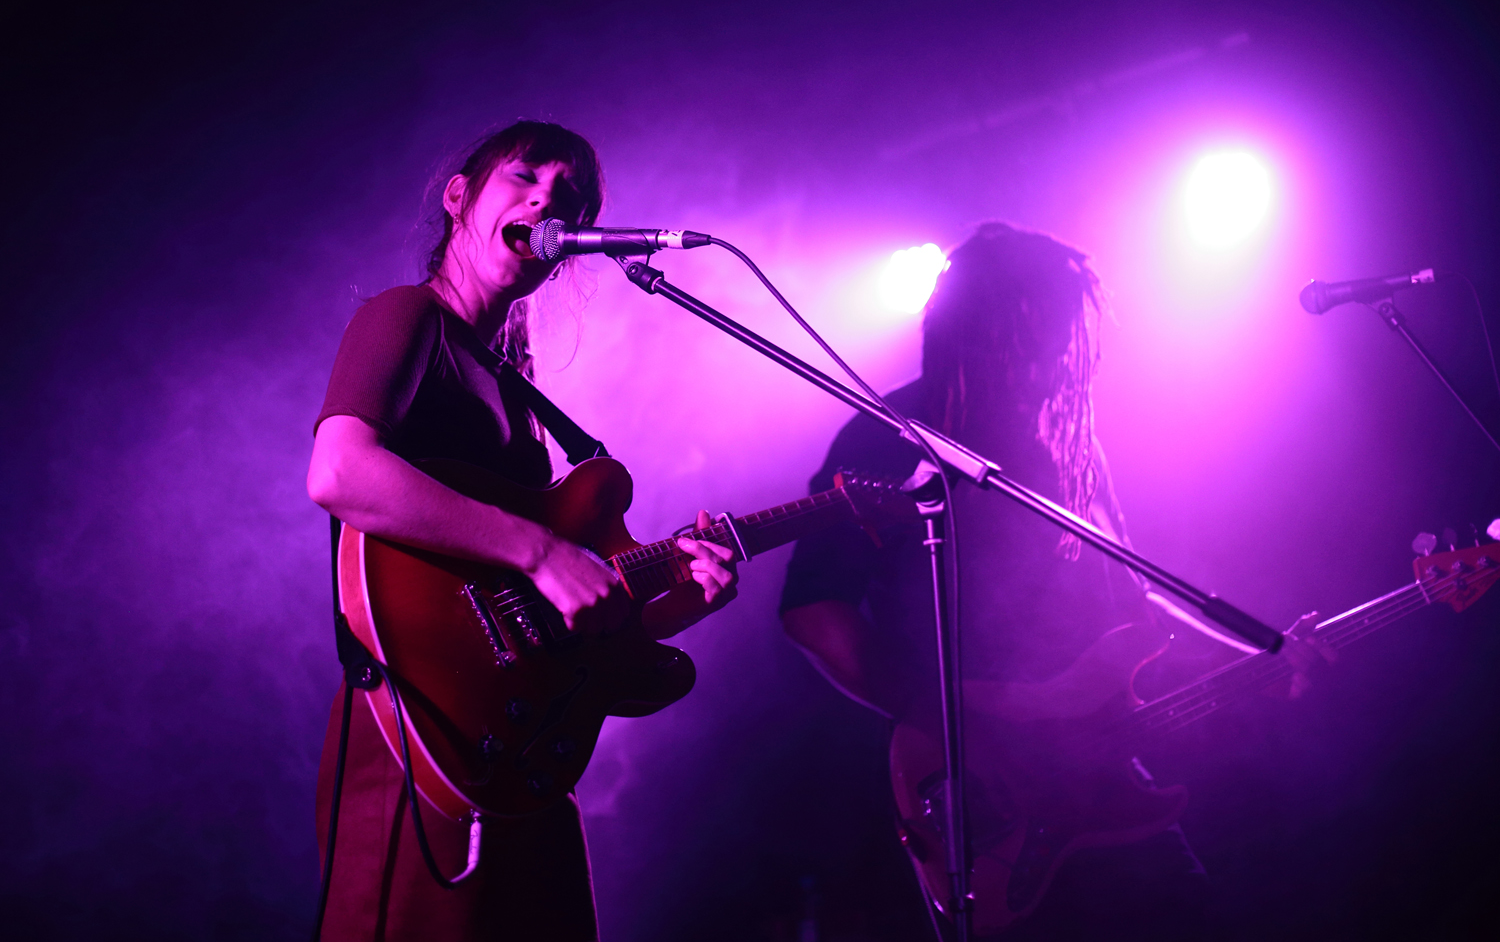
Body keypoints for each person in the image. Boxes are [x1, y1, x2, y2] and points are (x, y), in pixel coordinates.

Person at [778, 222, 1324, 940]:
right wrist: (950, 721)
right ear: (974, 327)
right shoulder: (889, 435)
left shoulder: (1067, 443)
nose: (1049, 359)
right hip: (985, 800)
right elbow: (814, 608)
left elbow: (1133, 599)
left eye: (1061, 336)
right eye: (1030, 334)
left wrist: (1255, 657)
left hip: (1101, 778)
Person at [305, 120, 738, 941]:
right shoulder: (408, 316)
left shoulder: (514, 381)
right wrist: (539, 550)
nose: (546, 201)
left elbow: (544, 626)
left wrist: (679, 602)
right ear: (458, 196)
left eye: (568, 197)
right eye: (525, 176)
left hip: (516, 745)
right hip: (416, 729)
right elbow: (340, 472)